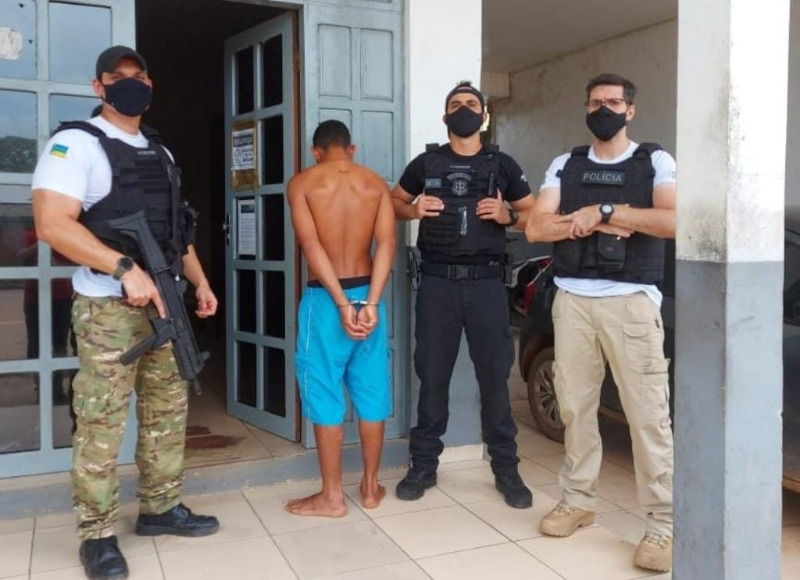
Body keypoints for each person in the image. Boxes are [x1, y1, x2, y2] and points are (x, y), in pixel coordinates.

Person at [31, 46, 219, 580]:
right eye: (118, 78)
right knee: (102, 421)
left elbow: (177, 232)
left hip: (166, 302)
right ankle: (97, 534)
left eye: (139, 77)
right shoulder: (75, 144)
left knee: (167, 411)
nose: (130, 85)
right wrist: (123, 269)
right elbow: (52, 224)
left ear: (150, 85)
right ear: (99, 87)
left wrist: (200, 282)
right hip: (107, 310)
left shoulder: (160, 151)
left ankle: (160, 508)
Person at [526, 73, 676, 572]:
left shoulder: (654, 161)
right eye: (595, 103)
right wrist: (588, 221)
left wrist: (604, 210)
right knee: (575, 407)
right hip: (573, 300)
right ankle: (578, 500)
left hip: (631, 302)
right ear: (586, 109)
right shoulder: (565, 163)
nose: (604, 110)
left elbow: (673, 220)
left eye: (613, 102)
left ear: (630, 111)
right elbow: (535, 228)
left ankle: (662, 524)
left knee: (647, 416)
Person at [391, 81, 535, 508]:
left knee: (494, 378)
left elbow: (532, 215)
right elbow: (394, 201)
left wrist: (507, 214)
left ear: (484, 116)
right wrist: (413, 210)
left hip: (487, 284)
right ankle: (423, 466)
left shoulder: (503, 164)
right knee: (432, 377)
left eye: (471, 104)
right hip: (438, 284)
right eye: (455, 104)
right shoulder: (426, 162)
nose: (464, 109)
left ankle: (506, 470)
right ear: (445, 116)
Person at [286, 120, 396, 516]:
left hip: (325, 300)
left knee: (324, 390)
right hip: (369, 295)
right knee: (371, 390)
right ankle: (369, 488)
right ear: (351, 148)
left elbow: (310, 245)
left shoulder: (302, 183)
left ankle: (332, 497)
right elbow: (387, 243)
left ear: (316, 151)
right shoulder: (375, 184)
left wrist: (340, 304)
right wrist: (370, 303)